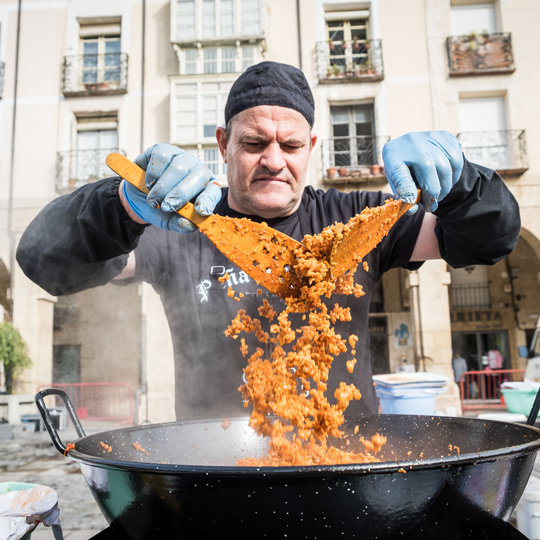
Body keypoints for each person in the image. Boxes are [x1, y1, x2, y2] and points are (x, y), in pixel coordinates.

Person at [16, 61, 520, 421]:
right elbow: (45, 264)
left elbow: (486, 240)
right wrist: (120, 206)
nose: (274, 160)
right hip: (215, 461)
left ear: (311, 148)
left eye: (291, 145)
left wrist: (462, 185)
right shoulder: (177, 225)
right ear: (223, 144)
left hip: (347, 460)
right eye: (254, 143)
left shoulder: (356, 219)